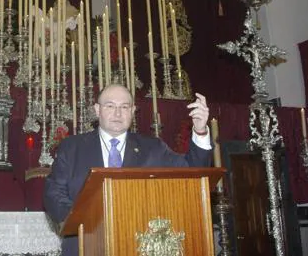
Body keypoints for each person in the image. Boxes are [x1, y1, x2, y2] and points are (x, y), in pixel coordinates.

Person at [44, 84, 213, 256]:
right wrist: (82, 220)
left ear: (132, 111)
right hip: (85, 245)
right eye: (110, 106)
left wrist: (200, 131)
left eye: (124, 107)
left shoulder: (153, 147)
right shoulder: (72, 147)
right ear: (97, 110)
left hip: (138, 244)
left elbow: (192, 172)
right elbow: (54, 192)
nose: (118, 113)